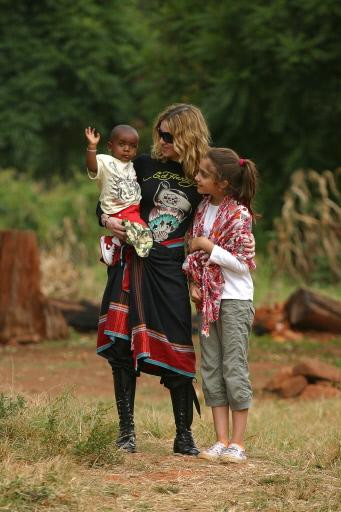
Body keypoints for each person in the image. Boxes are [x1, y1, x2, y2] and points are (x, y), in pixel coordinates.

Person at [95, 104, 255, 456]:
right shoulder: (142, 166)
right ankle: (127, 432)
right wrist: (109, 223)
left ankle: (184, 435)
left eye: (168, 135)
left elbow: (222, 223)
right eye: (158, 133)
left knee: (179, 347)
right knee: (121, 346)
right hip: (132, 262)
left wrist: (206, 273)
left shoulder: (204, 176)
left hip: (170, 269)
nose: (160, 141)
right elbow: (106, 201)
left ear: (186, 136)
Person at [183, 147, 258, 463]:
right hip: (210, 300)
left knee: (233, 367)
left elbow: (243, 263)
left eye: (203, 174)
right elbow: (195, 258)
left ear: (223, 183)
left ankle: (237, 444)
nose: (197, 177)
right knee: (211, 367)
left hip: (235, 300)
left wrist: (209, 247)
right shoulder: (202, 210)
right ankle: (220, 440)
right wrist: (195, 283)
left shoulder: (240, 215)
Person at [85, 124, 153, 262]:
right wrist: (92, 147)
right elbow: (92, 167)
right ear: (110, 146)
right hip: (118, 209)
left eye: (132, 146)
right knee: (144, 238)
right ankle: (111, 242)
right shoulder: (106, 161)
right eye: (121, 144)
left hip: (133, 210)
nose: (127, 149)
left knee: (144, 237)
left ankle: (115, 243)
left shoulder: (132, 166)